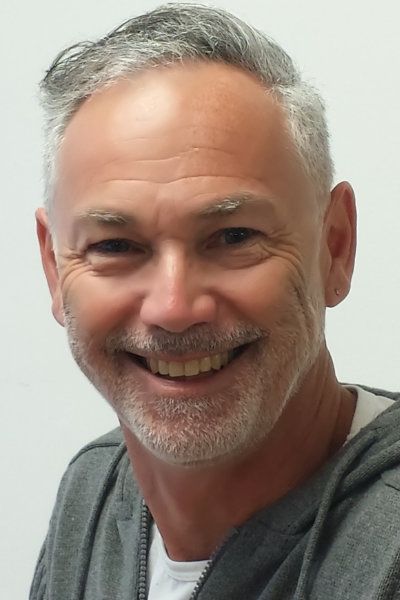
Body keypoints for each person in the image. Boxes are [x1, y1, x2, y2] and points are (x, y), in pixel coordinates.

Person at [30, 4, 399, 599]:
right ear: (54, 267)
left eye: (233, 237)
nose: (174, 307)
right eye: (116, 245)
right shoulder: (92, 494)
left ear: (335, 246)